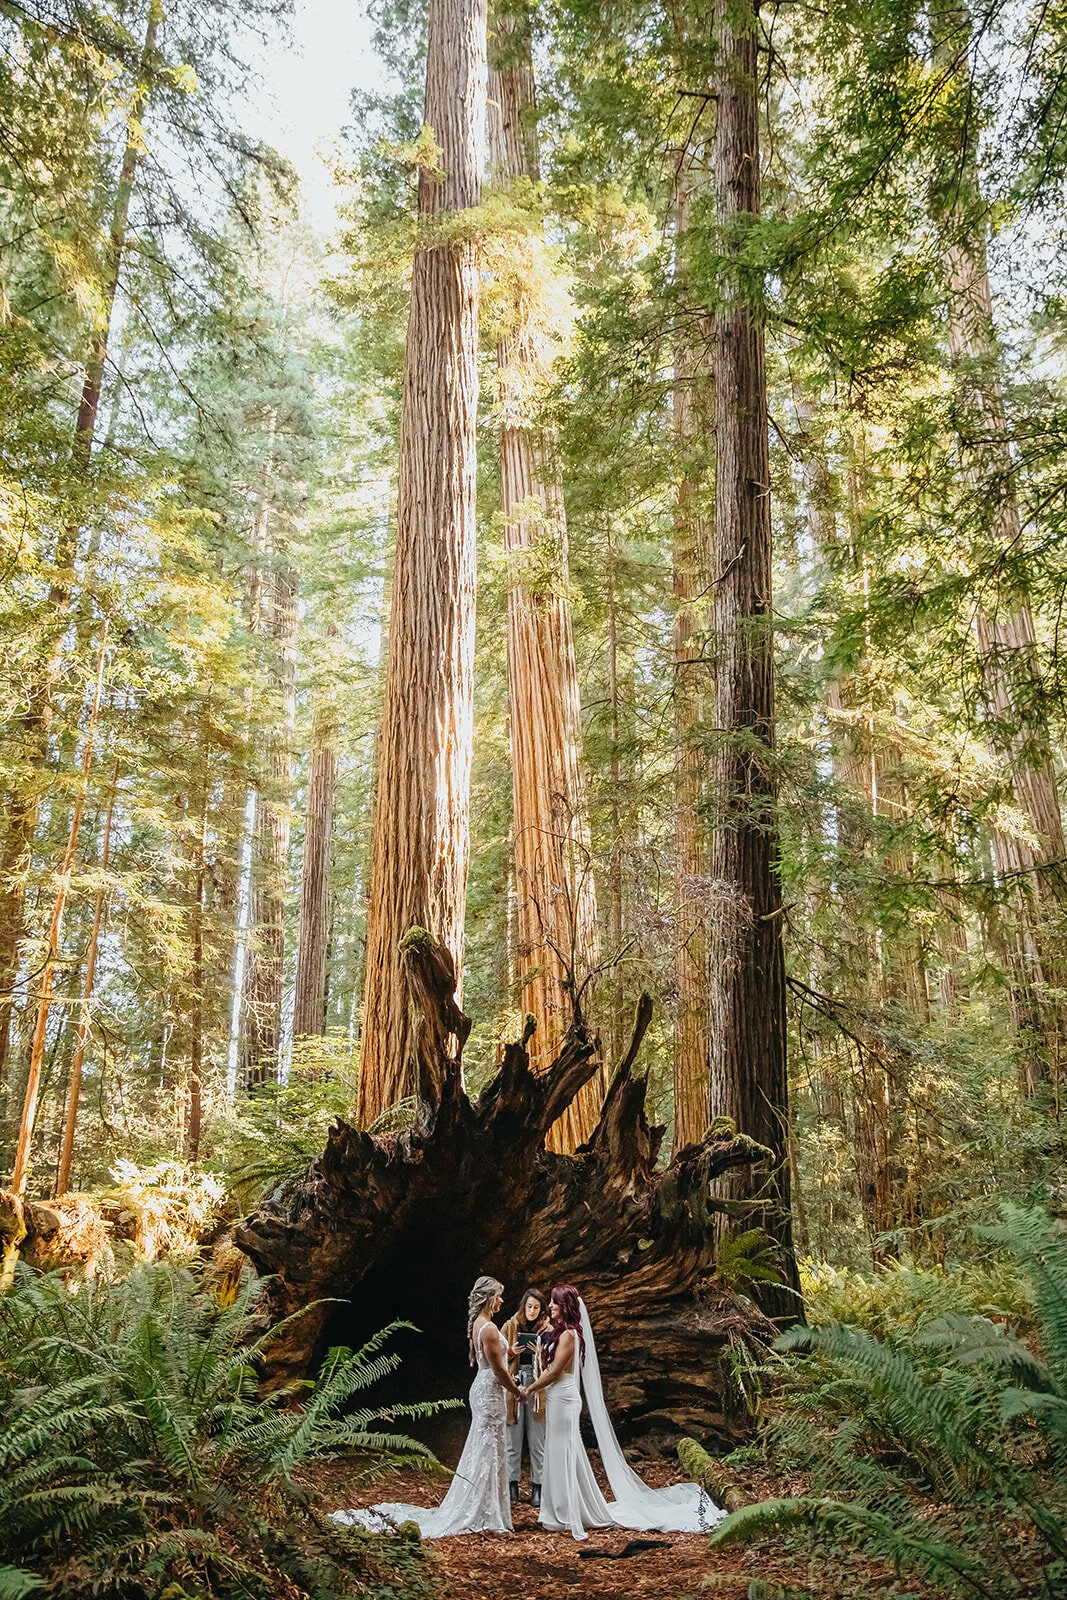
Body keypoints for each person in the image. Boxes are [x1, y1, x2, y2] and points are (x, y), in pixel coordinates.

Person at [520, 1284, 725, 1542]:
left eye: (553, 1302)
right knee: (560, 1451)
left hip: (564, 1398)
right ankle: (563, 1509)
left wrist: (530, 1389)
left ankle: (569, 1511)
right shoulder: (562, 1334)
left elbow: (555, 1372)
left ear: (565, 1306)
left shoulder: (570, 1335)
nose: (550, 1306)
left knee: (565, 1451)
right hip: (558, 1398)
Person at [332, 1274, 526, 1538]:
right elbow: (499, 1371)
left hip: (483, 1389)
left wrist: (510, 1351)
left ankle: (487, 1507)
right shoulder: (490, 1328)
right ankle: (484, 1511)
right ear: (489, 1298)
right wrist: (517, 1392)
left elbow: (490, 1357)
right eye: (499, 1296)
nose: (502, 1301)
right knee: (488, 1448)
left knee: (485, 1447)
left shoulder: (479, 1325)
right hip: (491, 1392)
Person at [501, 1286, 550, 1506]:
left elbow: (556, 1359)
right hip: (514, 1380)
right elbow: (494, 1354)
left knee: (537, 1437)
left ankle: (537, 1486)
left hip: (538, 1386)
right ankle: (512, 1485)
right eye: (529, 1306)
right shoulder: (510, 1326)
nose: (532, 1311)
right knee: (513, 1435)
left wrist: (540, 1351)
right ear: (523, 1306)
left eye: (536, 1307)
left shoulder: (547, 1329)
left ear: (541, 1309)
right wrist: (511, 1351)